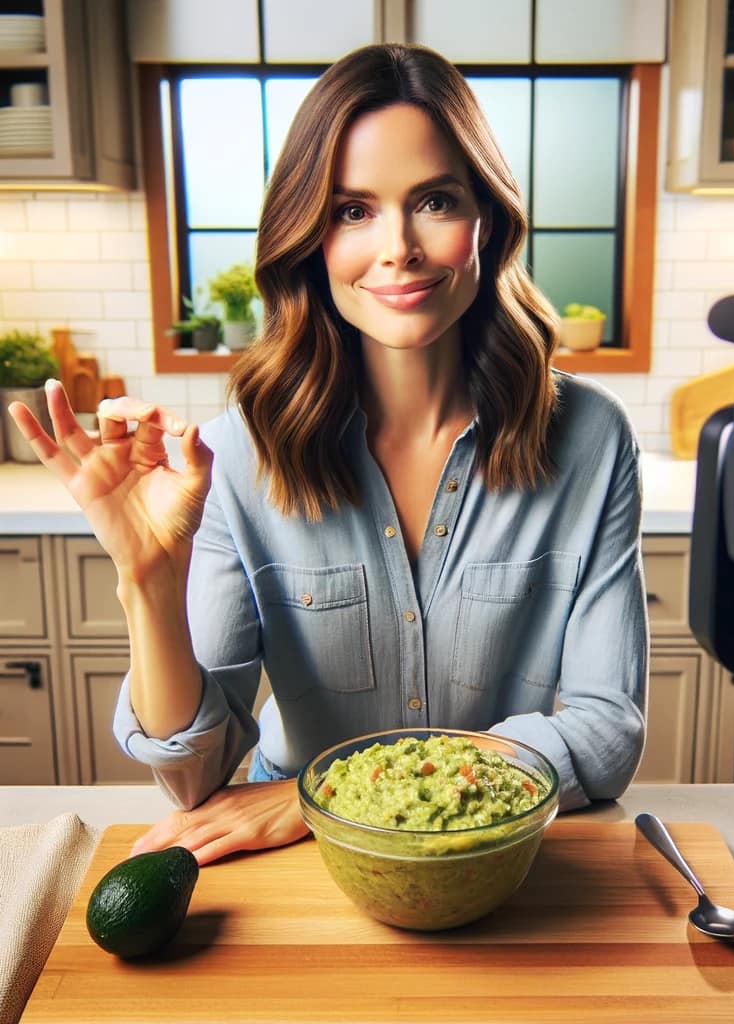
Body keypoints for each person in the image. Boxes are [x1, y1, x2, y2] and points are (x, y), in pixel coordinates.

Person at [6, 43, 648, 866]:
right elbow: (195, 776)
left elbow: (606, 729)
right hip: (287, 859)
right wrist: (147, 580)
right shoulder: (238, 452)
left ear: (487, 217)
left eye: (436, 201)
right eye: (353, 211)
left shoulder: (592, 438)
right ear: (310, 237)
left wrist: (330, 799)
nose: (399, 247)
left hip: (487, 857)